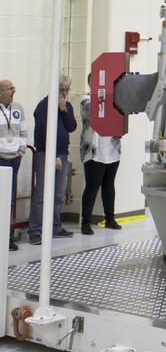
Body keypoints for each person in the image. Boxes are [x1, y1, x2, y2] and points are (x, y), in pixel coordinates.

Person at [29, 75, 77, 243]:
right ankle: (34, 231)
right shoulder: (44, 106)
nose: (63, 93)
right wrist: (54, 155)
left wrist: (64, 110)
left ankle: (54, 226)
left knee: (58, 193)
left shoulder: (67, 106)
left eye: (66, 90)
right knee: (41, 193)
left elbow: (72, 126)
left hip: (63, 154)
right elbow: (44, 133)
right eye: (60, 90)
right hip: (46, 154)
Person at [79, 76, 122, 235]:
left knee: (109, 185)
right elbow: (95, 114)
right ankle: (85, 222)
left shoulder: (113, 100)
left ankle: (110, 219)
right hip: (94, 150)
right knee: (92, 185)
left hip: (111, 149)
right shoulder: (86, 100)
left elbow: (120, 115)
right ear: (90, 83)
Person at [0, 78, 28, 251]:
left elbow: (24, 130)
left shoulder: (18, 108)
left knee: (10, 199)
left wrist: (21, 149)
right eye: (10, 88)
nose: (14, 90)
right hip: (0, 159)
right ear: (1, 92)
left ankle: (8, 237)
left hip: (14, 159)